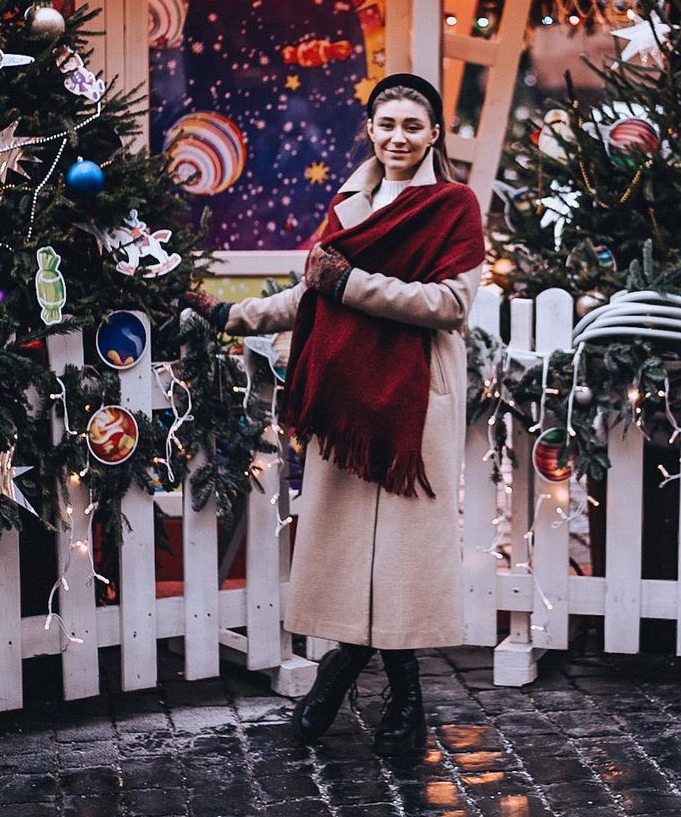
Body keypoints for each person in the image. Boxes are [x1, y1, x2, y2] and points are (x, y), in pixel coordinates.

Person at [184, 74, 484, 757]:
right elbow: (314, 293)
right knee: (352, 554)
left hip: (412, 403)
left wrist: (352, 283)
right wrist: (236, 315)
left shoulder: (453, 205)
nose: (399, 137)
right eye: (387, 124)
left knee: (401, 556)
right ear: (371, 130)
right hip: (348, 402)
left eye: (413, 125)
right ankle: (383, 689)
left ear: (435, 133)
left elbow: (450, 305)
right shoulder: (349, 203)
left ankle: (347, 678)